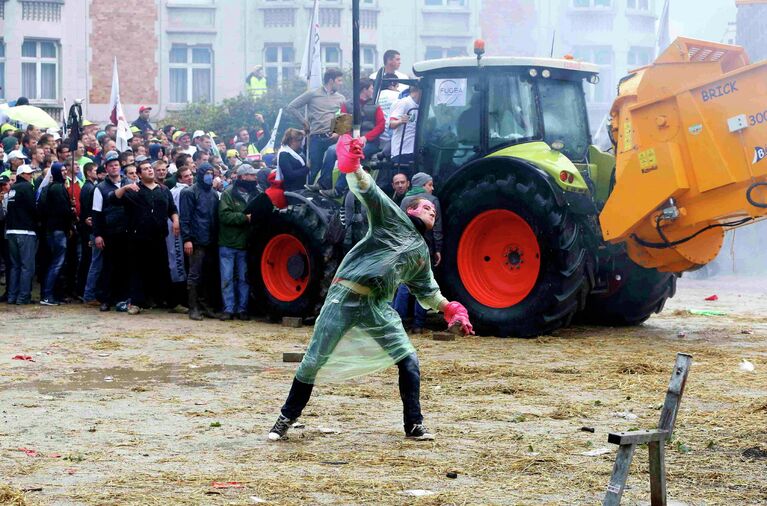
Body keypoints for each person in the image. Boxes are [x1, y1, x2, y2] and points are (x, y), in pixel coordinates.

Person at [267, 136, 473, 442]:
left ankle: (414, 425)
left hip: (376, 308)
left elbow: (427, 291)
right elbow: (369, 191)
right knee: (313, 360)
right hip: (343, 298)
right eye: (426, 207)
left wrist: (450, 309)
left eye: (434, 210)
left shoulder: (420, 254)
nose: (432, 211)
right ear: (410, 210)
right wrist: (353, 165)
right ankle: (284, 419)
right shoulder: (391, 219)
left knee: (409, 359)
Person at [111, 157, 179, 315]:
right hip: (137, 238)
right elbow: (113, 199)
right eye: (146, 169)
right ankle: (136, 303)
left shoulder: (163, 189)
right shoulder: (133, 190)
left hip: (159, 236)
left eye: (151, 167)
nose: (150, 170)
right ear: (139, 174)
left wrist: (175, 221)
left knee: (163, 270)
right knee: (137, 271)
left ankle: (171, 302)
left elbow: (172, 209)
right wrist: (125, 187)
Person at [317, 78, 385, 195]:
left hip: (370, 143)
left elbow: (381, 125)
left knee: (351, 154)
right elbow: (342, 128)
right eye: (371, 88)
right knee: (330, 150)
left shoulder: (376, 106)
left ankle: (338, 190)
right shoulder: (346, 105)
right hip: (350, 141)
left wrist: (366, 137)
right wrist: (349, 140)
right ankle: (323, 183)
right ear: (364, 89)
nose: (373, 90)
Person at [286, 68, 346, 180]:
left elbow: (343, 117)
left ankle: (327, 193)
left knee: (332, 168)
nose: (341, 83)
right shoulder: (313, 93)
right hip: (316, 138)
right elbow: (291, 107)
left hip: (333, 138)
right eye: (339, 80)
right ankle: (311, 195)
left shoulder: (341, 98)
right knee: (314, 169)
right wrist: (304, 122)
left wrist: (338, 132)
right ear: (331, 81)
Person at [217, 164, 259, 321]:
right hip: (228, 242)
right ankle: (228, 309)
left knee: (243, 278)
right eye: (252, 175)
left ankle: (242, 309)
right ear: (243, 177)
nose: (255, 178)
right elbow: (224, 216)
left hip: (245, 244)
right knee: (227, 278)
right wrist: (244, 218)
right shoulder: (228, 194)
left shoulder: (256, 193)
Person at [180, 162, 220, 320]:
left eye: (212, 173)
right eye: (207, 173)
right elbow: (185, 218)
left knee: (208, 275)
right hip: (196, 240)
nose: (210, 176)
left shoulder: (214, 194)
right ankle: (193, 307)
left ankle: (205, 306)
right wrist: (187, 239)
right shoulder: (189, 192)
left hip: (210, 239)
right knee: (194, 275)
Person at [92, 151, 129, 311]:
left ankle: (122, 298)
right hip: (109, 233)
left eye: (116, 165)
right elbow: (96, 213)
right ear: (106, 168)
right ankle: (106, 299)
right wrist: (98, 234)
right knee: (108, 267)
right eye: (111, 166)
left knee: (125, 267)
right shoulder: (100, 188)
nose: (114, 168)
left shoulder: (129, 183)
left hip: (127, 232)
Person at [38, 163, 76, 306]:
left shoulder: (50, 188)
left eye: (66, 170)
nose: (65, 172)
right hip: (58, 230)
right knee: (57, 263)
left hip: (51, 229)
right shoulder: (58, 188)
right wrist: (70, 212)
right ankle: (48, 295)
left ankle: (50, 294)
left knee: (54, 262)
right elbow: (62, 211)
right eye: (62, 170)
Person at [5, 164, 38, 305]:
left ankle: (12, 296)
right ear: (22, 175)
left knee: (15, 266)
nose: (31, 176)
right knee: (26, 266)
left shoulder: (12, 189)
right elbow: (33, 208)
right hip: (25, 231)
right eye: (28, 173)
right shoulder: (27, 187)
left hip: (11, 231)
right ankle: (23, 297)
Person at [389, 82, 421, 175]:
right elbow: (391, 124)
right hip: (401, 151)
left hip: (415, 151)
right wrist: (400, 121)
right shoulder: (404, 102)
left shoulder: (422, 106)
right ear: (418, 91)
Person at [78, 162, 98, 302]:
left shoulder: (88, 187)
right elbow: (88, 209)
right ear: (89, 172)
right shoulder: (89, 188)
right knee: (89, 259)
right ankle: (84, 290)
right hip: (88, 229)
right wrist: (87, 218)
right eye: (95, 170)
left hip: (87, 228)